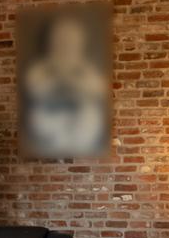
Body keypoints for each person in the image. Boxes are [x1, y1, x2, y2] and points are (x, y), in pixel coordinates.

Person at [21, 8, 109, 156]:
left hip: (81, 130)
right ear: (51, 42)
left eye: (71, 40)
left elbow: (99, 89)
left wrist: (73, 82)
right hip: (50, 124)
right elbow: (34, 88)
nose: (66, 45)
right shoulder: (41, 67)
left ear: (80, 43)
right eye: (60, 40)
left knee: (89, 113)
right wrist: (59, 79)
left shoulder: (86, 68)